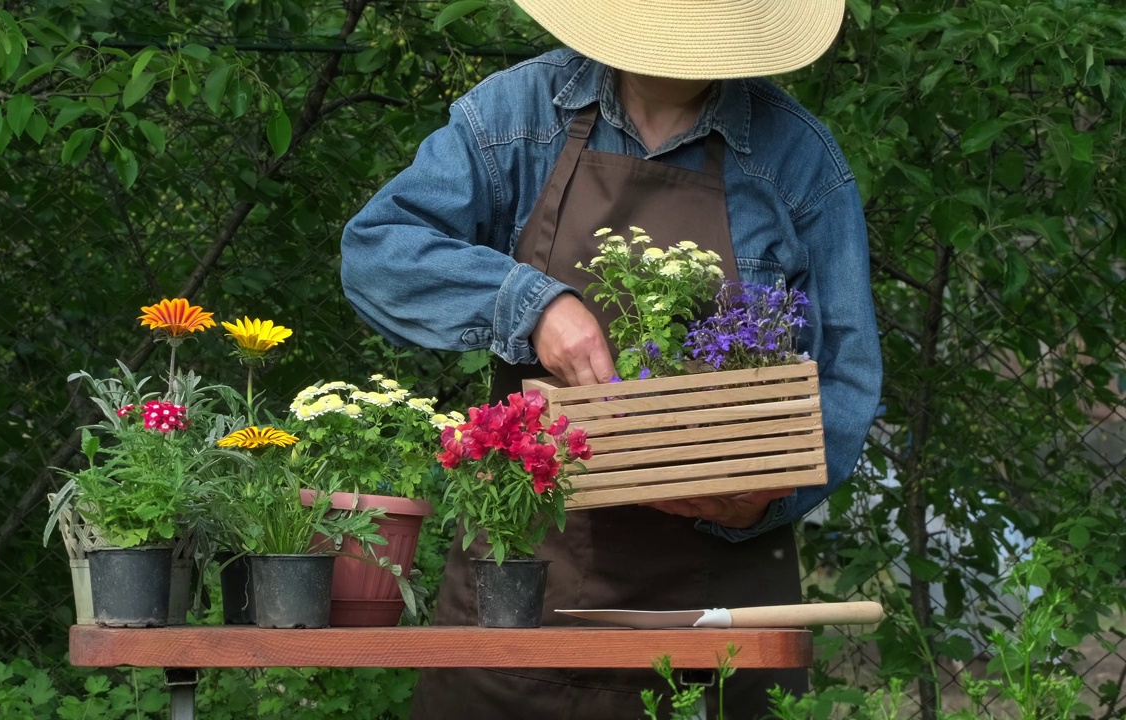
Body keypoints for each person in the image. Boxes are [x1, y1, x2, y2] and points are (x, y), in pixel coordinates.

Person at [340, 0, 882, 717]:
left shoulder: (796, 160)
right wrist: (533, 306)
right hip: (523, 593)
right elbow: (378, 251)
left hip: (717, 609)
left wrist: (762, 498)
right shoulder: (518, 117)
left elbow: (847, 375)